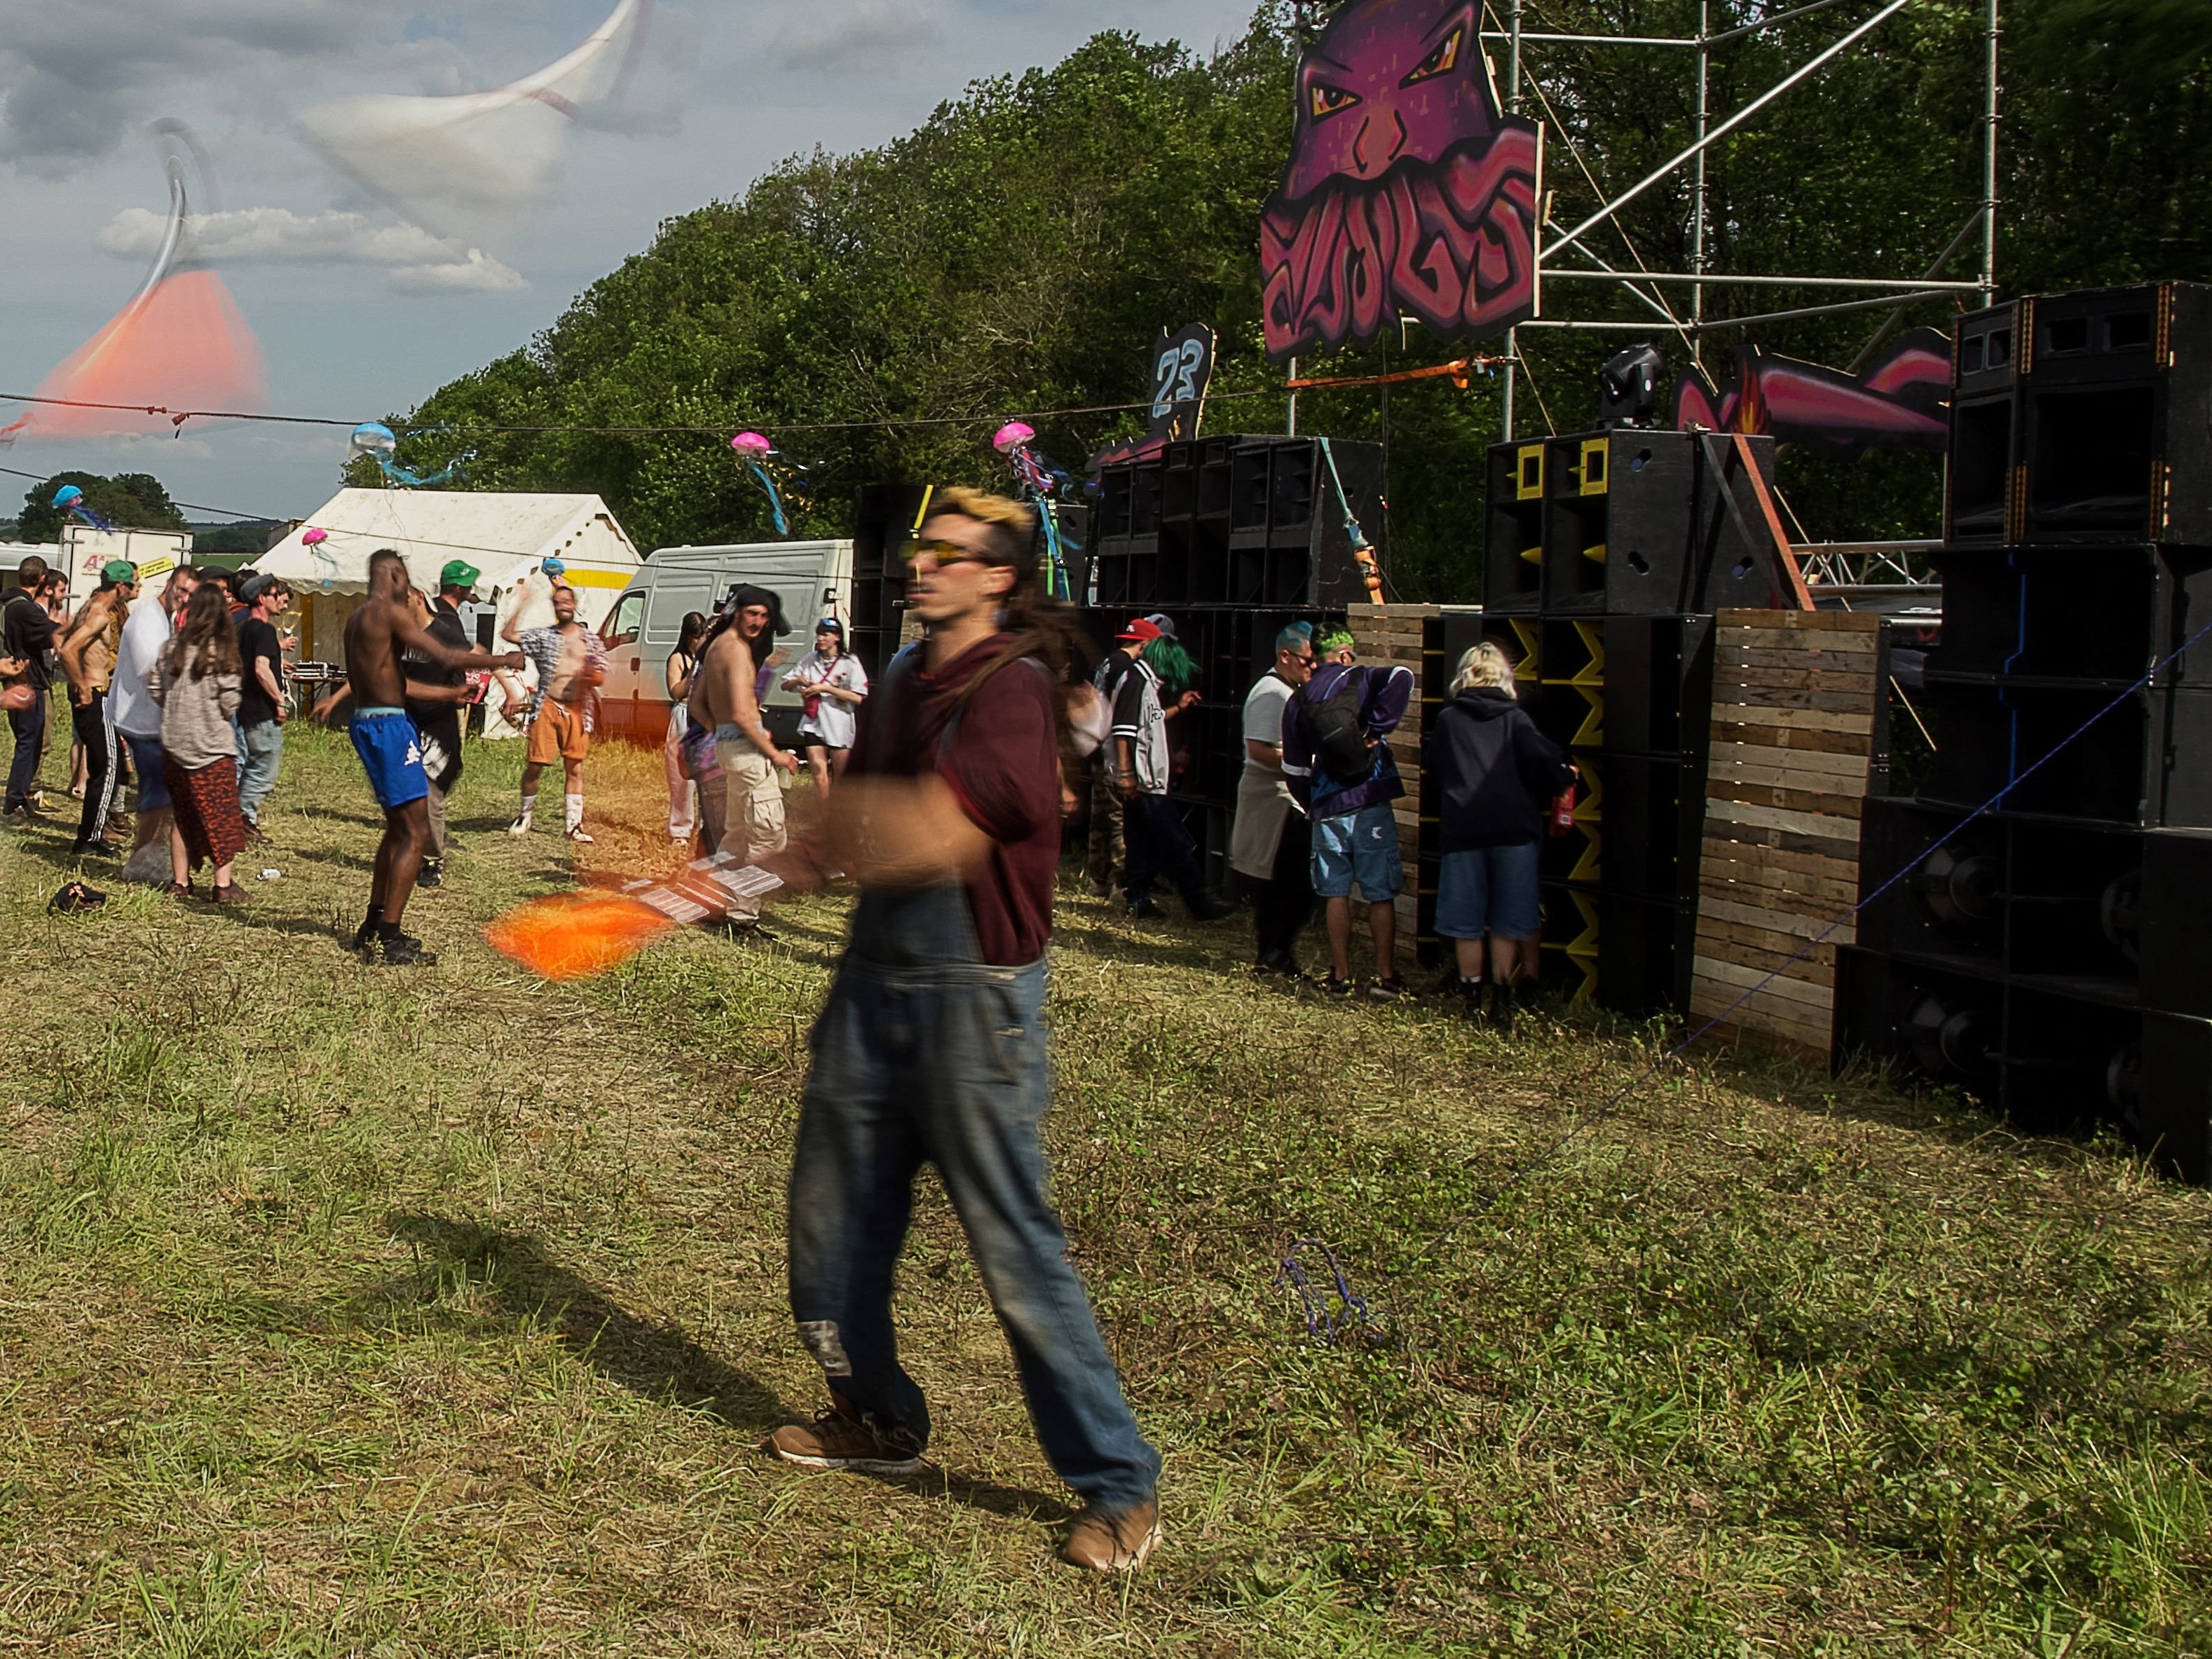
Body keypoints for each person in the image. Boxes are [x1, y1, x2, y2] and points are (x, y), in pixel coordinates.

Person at [765, 486, 1163, 1573]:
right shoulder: (900, 674)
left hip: (972, 992)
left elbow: (937, 831)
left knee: (1012, 1243)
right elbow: (861, 812)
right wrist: (770, 859)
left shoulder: (1014, 690)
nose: (924, 564)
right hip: (874, 976)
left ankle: (1119, 1483)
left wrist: (817, 845)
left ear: (998, 577)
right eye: (922, 549)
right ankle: (877, 1415)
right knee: (831, 1216)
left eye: (951, 554)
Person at [345, 547, 524, 964]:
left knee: (396, 829)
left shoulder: (357, 619)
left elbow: (389, 681)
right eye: (404, 577)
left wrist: (445, 693)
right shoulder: (388, 613)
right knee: (415, 832)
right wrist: (504, 658)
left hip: (369, 720)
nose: (409, 586)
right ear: (391, 575)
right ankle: (391, 938)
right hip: (389, 726)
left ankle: (373, 923)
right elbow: (444, 655)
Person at [1430, 643, 1576, 1029]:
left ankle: (1470, 999)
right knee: (1509, 920)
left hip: (1464, 828)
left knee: (1467, 921)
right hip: (1514, 829)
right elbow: (1546, 764)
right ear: (1503, 676)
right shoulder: (1516, 718)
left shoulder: (1449, 719)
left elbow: (1437, 769)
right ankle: (1503, 1000)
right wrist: (1565, 777)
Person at [1282, 627, 1415, 1000]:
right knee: (1379, 892)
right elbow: (1404, 675)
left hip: (1327, 804)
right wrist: (1377, 729)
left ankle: (1339, 977)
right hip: (1370, 799)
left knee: (1335, 892)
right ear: (1344, 655)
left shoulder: (1299, 700)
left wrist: (1313, 805)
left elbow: (1294, 770)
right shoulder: (1363, 679)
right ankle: (1386, 977)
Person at [693, 583, 798, 933]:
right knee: (769, 836)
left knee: (737, 834)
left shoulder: (714, 648)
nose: (759, 621)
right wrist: (776, 754)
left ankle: (719, 901)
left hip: (731, 750)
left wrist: (723, 735)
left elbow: (696, 704)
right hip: (748, 754)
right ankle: (742, 913)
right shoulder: (736, 651)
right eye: (753, 612)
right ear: (738, 612)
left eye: (765, 615)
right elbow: (741, 712)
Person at [1109, 621, 1227, 922]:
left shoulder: (1142, 682)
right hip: (1146, 780)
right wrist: (1126, 774)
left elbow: (1149, 720)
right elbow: (1124, 730)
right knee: (1175, 841)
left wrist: (1178, 707)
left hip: (1145, 778)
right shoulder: (1136, 681)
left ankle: (1138, 898)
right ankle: (1197, 901)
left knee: (1140, 840)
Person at [147, 581, 250, 901]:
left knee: (183, 814)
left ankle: (181, 882)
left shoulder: (171, 647)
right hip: (212, 747)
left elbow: (155, 688)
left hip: (174, 744)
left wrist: (177, 709)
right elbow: (230, 703)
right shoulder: (222, 651)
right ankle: (223, 885)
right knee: (221, 816)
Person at [1229, 622, 1319, 978]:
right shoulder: (1273, 693)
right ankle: (1273, 952)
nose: (1311, 668)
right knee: (1289, 880)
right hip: (1274, 797)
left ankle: (1275, 952)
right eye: (1306, 661)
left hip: (1286, 795)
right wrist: (1306, 763)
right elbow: (1260, 749)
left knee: (1286, 881)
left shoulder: (1290, 691)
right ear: (1285, 656)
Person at [498, 582, 606, 842]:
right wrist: (522, 603)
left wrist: (589, 677)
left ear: (575, 605)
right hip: (548, 704)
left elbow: (601, 675)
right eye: (558, 602)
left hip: (579, 708)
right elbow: (508, 634)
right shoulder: (545, 636)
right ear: (554, 606)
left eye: (567, 601)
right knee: (536, 765)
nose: (563, 606)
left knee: (575, 768)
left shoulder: (590, 640)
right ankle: (524, 815)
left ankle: (574, 825)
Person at [108, 566, 196, 881]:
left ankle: (145, 856)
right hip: (138, 718)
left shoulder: (165, 617)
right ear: (170, 584)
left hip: (151, 719)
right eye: (181, 590)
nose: (184, 598)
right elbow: (150, 670)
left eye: (190, 595)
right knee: (157, 794)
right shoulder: (147, 617)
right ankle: (139, 861)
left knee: (159, 793)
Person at [402, 561, 482, 888]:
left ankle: (432, 858)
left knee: (430, 791)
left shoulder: (444, 627)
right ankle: (416, 849)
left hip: (436, 723)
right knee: (408, 794)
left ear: (419, 597)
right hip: (404, 723)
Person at [55, 559, 139, 855]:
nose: (136, 588)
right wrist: (82, 685)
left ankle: (91, 834)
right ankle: (89, 838)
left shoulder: (87, 607)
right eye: (133, 584)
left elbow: (59, 637)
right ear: (120, 586)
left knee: (103, 765)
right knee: (108, 768)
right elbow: (67, 650)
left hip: (91, 694)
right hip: (96, 695)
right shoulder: (100, 615)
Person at [231, 573, 291, 838]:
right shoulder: (264, 630)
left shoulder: (244, 630)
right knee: (264, 769)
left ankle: (240, 818)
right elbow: (261, 668)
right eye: (277, 596)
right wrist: (280, 701)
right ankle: (243, 819)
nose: (284, 603)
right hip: (261, 710)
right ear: (261, 598)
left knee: (253, 763)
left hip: (244, 707)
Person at [784, 617, 869, 801]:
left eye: (826, 634)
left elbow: (859, 697)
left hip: (840, 724)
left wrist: (826, 689)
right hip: (814, 723)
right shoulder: (810, 659)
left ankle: (839, 812)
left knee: (841, 774)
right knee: (818, 771)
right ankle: (824, 812)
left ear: (837, 637)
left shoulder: (850, 662)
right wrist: (799, 681)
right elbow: (785, 685)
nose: (821, 639)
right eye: (819, 634)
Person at [2, 553, 58, 818]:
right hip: (26, 681)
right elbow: (51, 632)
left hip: (13, 680)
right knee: (29, 743)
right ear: (43, 579)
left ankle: (20, 798)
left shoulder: (8, 603)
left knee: (30, 742)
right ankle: (14, 802)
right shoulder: (24, 608)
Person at [663, 611, 707, 843]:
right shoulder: (678, 659)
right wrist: (694, 670)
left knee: (708, 776)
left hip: (705, 717)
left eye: (703, 635)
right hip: (684, 715)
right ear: (688, 636)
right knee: (682, 778)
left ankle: (706, 827)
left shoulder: (711, 657)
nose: (699, 640)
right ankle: (680, 829)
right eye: (695, 635)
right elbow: (675, 691)